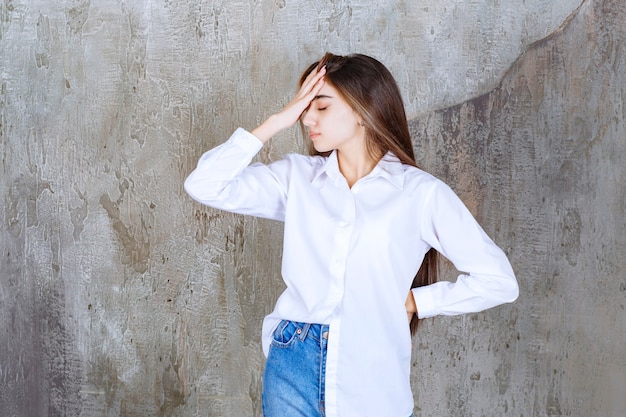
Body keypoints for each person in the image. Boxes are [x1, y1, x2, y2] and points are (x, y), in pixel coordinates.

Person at [184, 52, 519, 417]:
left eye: (321, 107)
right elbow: (204, 185)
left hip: (371, 373)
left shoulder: (421, 194)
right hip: (292, 361)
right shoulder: (298, 178)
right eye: (303, 108)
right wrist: (277, 121)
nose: (307, 118)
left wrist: (416, 302)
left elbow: (498, 281)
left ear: (362, 110)